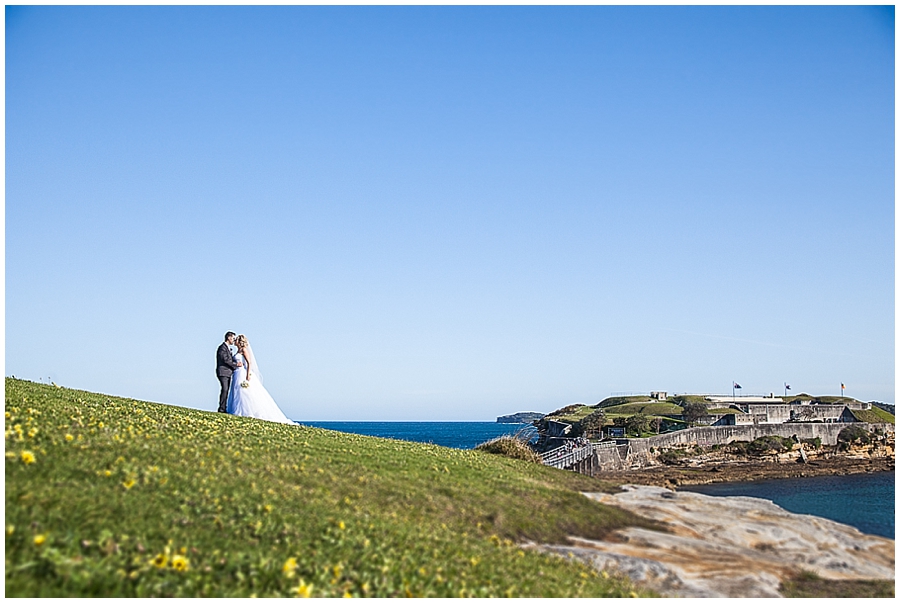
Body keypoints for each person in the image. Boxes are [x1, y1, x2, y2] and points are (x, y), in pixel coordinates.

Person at [226, 334, 294, 425]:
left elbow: (249, 362)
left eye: (236, 340)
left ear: (240, 342)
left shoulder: (244, 350)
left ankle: (245, 411)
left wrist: (248, 374)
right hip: (237, 373)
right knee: (237, 392)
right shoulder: (238, 351)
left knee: (244, 392)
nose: (234, 341)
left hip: (242, 373)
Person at [215, 332, 242, 413]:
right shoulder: (222, 348)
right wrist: (236, 364)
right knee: (225, 389)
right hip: (223, 372)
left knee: (226, 390)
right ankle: (222, 408)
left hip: (228, 372)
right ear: (229, 338)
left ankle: (224, 407)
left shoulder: (227, 348)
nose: (233, 340)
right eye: (233, 338)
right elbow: (225, 359)